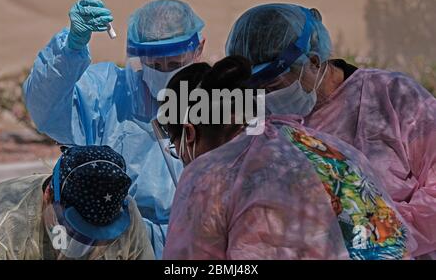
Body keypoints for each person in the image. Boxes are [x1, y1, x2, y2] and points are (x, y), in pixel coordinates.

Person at [225, 4, 436, 258]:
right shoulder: (263, 125)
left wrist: (378, 233)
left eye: (275, 86)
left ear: (313, 62)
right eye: (258, 91)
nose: (267, 99)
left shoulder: (391, 97)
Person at [158, 56, 416, 260]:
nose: (180, 157)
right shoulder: (331, 148)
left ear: (189, 132)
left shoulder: (208, 174)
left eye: (175, 145)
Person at [22, 0, 205, 258]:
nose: (165, 73)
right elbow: (45, 108)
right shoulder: (108, 93)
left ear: (199, 50)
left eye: (175, 65)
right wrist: (70, 48)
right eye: (154, 65)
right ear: (140, 57)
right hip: (118, 243)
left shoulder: (214, 103)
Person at [0, 145, 154, 260]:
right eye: (75, 232)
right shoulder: (0, 232)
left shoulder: (126, 214)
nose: (87, 247)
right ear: (49, 195)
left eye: (99, 237)